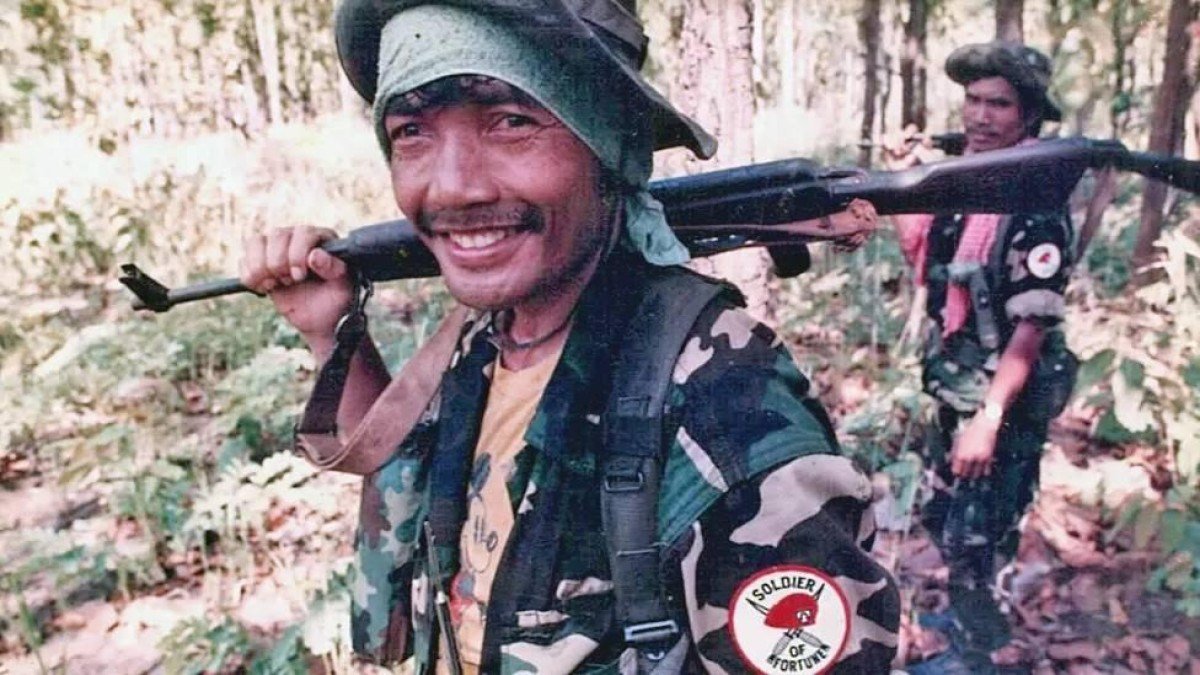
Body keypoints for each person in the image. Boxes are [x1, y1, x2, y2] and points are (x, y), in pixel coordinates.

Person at [240, 1, 899, 672]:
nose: (453, 186)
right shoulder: (485, 337)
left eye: (511, 121)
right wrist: (332, 333)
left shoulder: (721, 399)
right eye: (411, 132)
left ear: (607, 144)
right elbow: (406, 518)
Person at [883, 42, 1078, 674]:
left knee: (978, 534)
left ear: (1029, 116)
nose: (980, 115)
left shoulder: (1036, 202)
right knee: (945, 516)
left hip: (1001, 399)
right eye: (973, 100)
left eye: (999, 104)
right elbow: (925, 258)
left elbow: (1031, 327)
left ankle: (980, 655)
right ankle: (970, 623)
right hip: (958, 386)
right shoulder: (966, 183)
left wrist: (988, 421)